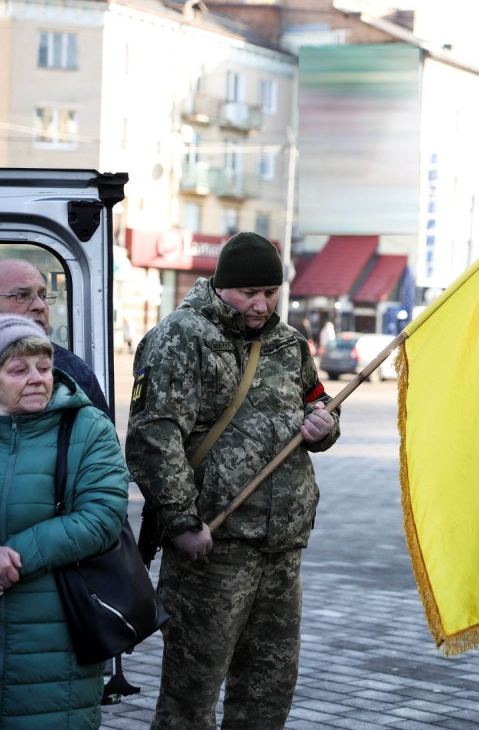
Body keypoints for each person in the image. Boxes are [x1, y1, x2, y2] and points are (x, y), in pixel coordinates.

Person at [126, 232, 342, 729]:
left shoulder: (289, 344)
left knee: (267, 693)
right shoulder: (182, 337)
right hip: (211, 551)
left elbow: (319, 404)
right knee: (190, 697)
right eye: (250, 293)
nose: (262, 305)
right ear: (223, 286)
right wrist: (182, 521)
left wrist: (323, 428)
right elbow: (153, 439)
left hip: (281, 550)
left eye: (271, 292)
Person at [0, 316, 128, 729]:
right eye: (19, 370)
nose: (37, 378)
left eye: (44, 366)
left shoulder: (86, 426)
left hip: (57, 632)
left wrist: (12, 558)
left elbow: (102, 515)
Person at [0, 258, 111, 419]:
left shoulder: (74, 371)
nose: (39, 305)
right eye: (22, 295)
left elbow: (101, 438)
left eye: (43, 295)